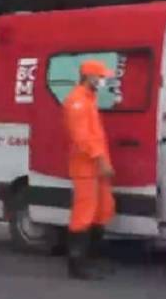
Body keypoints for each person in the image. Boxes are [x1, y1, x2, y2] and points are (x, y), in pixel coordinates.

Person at [63, 60, 115, 281]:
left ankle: (90, 259)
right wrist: (100, 159)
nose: (103, 80)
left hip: (96, 166)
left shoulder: (88, 99)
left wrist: (102, 161)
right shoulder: (77, 101)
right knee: (83, 214)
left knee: (103, 210)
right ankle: (77, 266)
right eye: (101, 76)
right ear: (89, 77)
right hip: (86, 167)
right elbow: (82, 137)